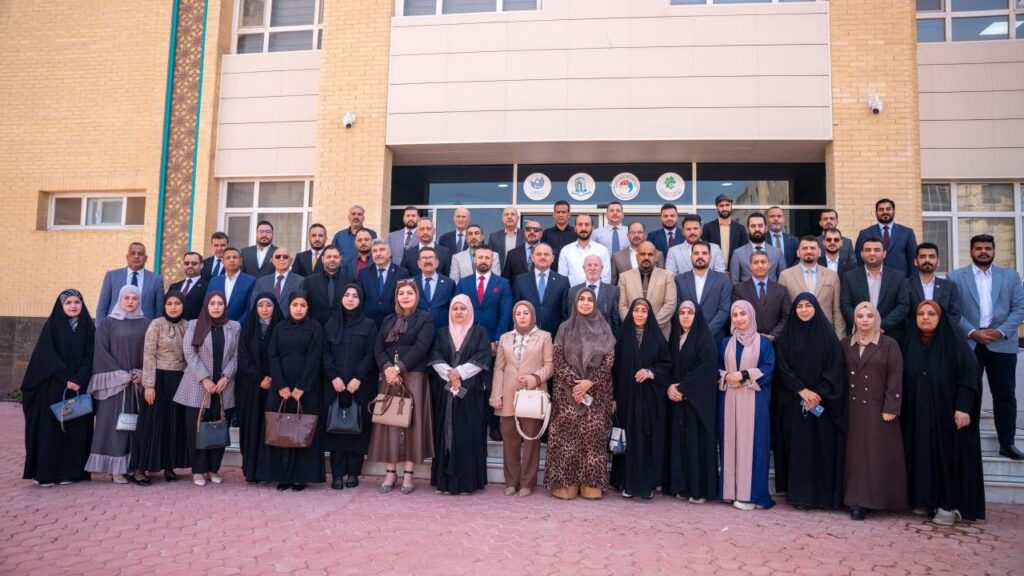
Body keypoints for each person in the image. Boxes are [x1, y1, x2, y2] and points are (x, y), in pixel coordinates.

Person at [902, 300, 985, 525]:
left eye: (931, 314)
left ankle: (949, 505)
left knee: (947, 458)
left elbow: (969, 376)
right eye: (921, 313)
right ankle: (925, 499)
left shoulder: (954, 343)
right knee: (921, 455)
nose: (925, 317)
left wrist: (963, 408)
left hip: (948, 416)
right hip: (919, 415)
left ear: (941, 318)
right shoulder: (909, 342)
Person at [947, 234, 1024, 460]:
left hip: (1002, 343)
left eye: (987, 248)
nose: (983, 252)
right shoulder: (955, 277)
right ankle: (967, 445)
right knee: (967, 393)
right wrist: (973, 332)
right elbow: (953, 311)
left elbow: (1019, 309)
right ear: (971, 251)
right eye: (978, 248)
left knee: (1005, 394)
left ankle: (1007, 443)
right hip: (969, 342)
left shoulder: (1010, 277)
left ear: (994, 250)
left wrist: (999, 332)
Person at [772, 293, 847, 510]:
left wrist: (817, 394)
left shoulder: (828, 336)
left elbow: (835, 368)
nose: (804, 310)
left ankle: (822, 496)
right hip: (795, 403)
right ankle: (799, 496)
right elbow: (782, 367)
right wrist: (802, 390)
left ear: (816, 308)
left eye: (808, 306)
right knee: (799, 450)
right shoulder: (786, 337)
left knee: (821, 448)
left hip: (822, 405)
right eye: (800, 306)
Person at [546, 287, 616, 500]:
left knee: (592, 441)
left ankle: (590, 484)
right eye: (581, 299)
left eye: (589, 299)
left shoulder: (604, 328)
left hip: (596, 396)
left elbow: (609, 361)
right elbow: (557, 359)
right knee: (566, 442)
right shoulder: (565, 328)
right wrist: (576, 384)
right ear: (575, 303)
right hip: (566, 395)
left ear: (595, 303)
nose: (585, 303)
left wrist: (589, 383)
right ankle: (565, 485)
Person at [21, 289, 95, 487]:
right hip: (54, 386)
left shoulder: (89, 327)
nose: (73, 306)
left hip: (79, 388)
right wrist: (67, 377)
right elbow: (47, 355)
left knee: (75, 429)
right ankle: (46, 473)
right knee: (51, 430)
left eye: (77, 302)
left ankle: (71, 472)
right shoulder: (52, 326)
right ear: (61, 306)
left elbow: (92, 356)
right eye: (68, 302)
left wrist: (79, 378)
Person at [842, 302, 908, 520]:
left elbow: (895, 376)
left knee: (875, 454)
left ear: (876, 319)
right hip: (851, 408)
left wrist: (891, 406)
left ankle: (877, 499)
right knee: (855, 455)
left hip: (877, 408)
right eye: (860, 316)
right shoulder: (845, 344)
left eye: (869, 316)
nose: (864, 320)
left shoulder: (889, 344)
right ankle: (856, 501)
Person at [369, 280, 435, 495]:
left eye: (409, 293)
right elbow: (378, 347)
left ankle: (408, 474)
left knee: (411, 425)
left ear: (416, 296)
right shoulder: (389, 319)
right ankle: (390, 473)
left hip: (413, 376)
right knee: (390, 423)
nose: (405, 296)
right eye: (401, 293)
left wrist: (399, 368)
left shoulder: (425, 318)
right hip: (389, 378)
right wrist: (387, 368)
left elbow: (421, 347)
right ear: (396, 297)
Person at [259, 292, 325, 491]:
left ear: (308, 307)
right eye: (295, 305)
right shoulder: (280, 327)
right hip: (281, 389)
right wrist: (280, 385)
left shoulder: (315, 328)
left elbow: (315, 358)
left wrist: (301, 386)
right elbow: (273, 355)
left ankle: (301, 477)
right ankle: (282, 476)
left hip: (306, 389)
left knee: (302, 429)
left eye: (302, 305)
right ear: (289, 306)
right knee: (281, 430)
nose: (298, 309)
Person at [174, 292, 241, 486]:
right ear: (206, 306)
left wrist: (226, 377)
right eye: (212, 303)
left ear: (225, 306)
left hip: (223, 387)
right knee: (196, 429)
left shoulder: (234, 326)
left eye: (220, 303)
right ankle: (198, 470)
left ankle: (213, 469)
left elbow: (237, 355)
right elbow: (189, 352)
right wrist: (205, 378)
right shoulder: (195, 324)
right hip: (197, 385)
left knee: (219, 428)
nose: (216, 307)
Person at [85, 285, 150, 484]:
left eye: (134, 298)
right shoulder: (108, 323)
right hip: (115, 384)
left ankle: (132, 466)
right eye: (126, 298)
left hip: (137, 384)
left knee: (134, 426)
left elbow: (150, 352)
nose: (130, 302)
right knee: (113, 425)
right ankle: (115, 470)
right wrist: (120, 375)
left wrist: (141, 372)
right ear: (119, 299)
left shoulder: (146, 323)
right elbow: (101, 351)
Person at [429, 295, 492, 495]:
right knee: (445, 433)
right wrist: (450, 374)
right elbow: (435, 355)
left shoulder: (480, 332)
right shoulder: (441, 332)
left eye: (462, 308)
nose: (458, 312)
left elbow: (482, 357)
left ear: (470, 310)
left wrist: (460, 373)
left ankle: (466, 482)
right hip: (445, 391)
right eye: (455, 308)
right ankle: (444, 481)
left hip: (471, 393)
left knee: (467, 434)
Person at [610, 298, 672, 499]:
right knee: (628, 438)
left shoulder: (657, 338)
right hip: (626, 398)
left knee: (645, 439)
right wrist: (613, 398)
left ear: (649, 314)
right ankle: (626, 483)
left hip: (648, 399)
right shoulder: (621, 338)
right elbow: (613, 370)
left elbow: (667, 365)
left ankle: (645, 484)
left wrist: (651, 372)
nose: (639, 314)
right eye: (636, 310)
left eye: (643, 311)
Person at [490, 301, 553, 497]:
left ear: (532, 315)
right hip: (508, 394)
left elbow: (550, 366)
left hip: (532, 394)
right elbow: (499, 368)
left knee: (531, 439)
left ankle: (527, 483)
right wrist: (496, 395)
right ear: (514, 317)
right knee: (510, 440)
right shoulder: (505, 338)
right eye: (518, 313)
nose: (522, 316)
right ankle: (511, 481)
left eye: (526, 313)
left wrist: (534, 378)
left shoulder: (544, 336)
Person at [718, 300, 776, 511]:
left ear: (751, 316)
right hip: (729, 400)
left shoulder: (764, 343)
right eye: (735, 315)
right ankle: (731, 492)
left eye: (743, 314)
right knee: (731, 443)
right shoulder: (725, 343)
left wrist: (742, 376)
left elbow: (769, 369)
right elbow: (716, 367)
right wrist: (726, 376)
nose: (739, 318)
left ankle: (753, 496)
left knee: (754, 445)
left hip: (754, 401)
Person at [322, 285, 379, 489]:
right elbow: (325, 353)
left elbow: (371, 353)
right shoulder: (331, 324)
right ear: (341, 298)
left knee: (357, 428)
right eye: (346, 295)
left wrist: (358, 377)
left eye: (355, 296)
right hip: (335, 385)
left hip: (360, 386)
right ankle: (337, 474)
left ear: (360, 300)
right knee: (336, 429)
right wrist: (333, 377)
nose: (350, 299)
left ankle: (354, 473)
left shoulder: (369, 325)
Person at [132, 290, 190, 484]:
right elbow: (148, 355)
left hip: (179, 379)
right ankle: (140, 469)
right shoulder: (156, 324)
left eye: (177, 303)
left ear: (183, 306)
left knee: (173, 423)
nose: (173, 307)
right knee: (151, 422)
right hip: (158, 379)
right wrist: (149, 385)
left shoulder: (188, 326)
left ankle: (169, 466)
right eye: (169, 303)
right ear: (164, 306)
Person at [664, 301, 719, 503]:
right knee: (680, 444)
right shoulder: (675, 339)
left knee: (696, 445)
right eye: (682, 313)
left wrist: (683, 388)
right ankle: (680, 486)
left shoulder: (705, 340)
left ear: (697, 316)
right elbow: (668, 366)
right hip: (678, 402)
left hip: (697, 404)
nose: (685, 316)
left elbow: (705, 370)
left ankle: (698, 490)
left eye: (690, 313)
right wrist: (670, 387)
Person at [236, 293, 283, 483]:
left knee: (271, 427)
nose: (264, 309)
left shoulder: (281, 327)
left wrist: (273, 378)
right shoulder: (248, 328)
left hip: (275, 386)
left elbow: (283, 355)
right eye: (260, 305)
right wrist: (259, 377)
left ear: (275, 308)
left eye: (268, 306)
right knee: (251, 426)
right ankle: (251, 471)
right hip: (251, 386)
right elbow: (243, 357)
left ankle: (269, 471)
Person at [841, 237, 910, 343]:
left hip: (889, 335)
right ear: (862, 254)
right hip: (858, 335)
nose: (872, 253)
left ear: (884, 253)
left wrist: (880, 325)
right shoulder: (849, 277)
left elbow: (903, 306)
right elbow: (845, 305)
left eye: (877, 250)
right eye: (868, 250)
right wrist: (862, 323)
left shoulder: (898, 277)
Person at [779, 237, 845, 338]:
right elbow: (782, 310)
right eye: (804, 248)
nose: (809, 251)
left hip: (825, 333)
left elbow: (837, 310)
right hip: (796, 333)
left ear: (819, 252)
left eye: (813, 248)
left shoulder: (832, 276)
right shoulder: (785, 276)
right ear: (798, 253)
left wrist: (840, 338)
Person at [619, 241, 678, 339]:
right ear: (637, 257)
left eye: (650, 254)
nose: (646, 257)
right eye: (642, 254)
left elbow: (670, 304)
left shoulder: (667, 276)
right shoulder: (624, 277)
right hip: (632, 334)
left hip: (660, 333)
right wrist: (635, 325)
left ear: (656, 257)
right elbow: (622, 306)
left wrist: (652, 326)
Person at [674, 242, 731, 340]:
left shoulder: (723, 279)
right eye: (696, 253)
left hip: (714, 338)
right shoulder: (679, 280)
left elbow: (724, 310)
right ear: (691, 257)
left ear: (710, 257)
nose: (700, 256)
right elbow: (677, 308)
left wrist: (706, 333)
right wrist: (690, 331)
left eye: (704, 253)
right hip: (687, 337)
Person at [96, 242, 164, 324]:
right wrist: (100, 329)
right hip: (115, 327)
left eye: (140, 254)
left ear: (146, 258)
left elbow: (159, 311)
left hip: (145, 328)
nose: (136, 256)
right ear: (127, 257)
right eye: (133, 253)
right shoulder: (112, 276)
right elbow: (102, 306)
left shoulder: (156, 280)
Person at [731, 251, 791, 341]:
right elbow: (735, 316)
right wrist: (752, 336)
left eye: (763, 262)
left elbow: (787, 316)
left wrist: (772, 336)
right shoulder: (739, 289)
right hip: (747, 341)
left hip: (775, 342)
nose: (760, 265)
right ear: (750, 265)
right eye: (756, 262)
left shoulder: (781, 290)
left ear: (769, 265)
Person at [513, 242, 570, 335]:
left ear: (552, 258)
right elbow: (515, 310)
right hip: (526, 336)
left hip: (554, 336)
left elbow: (565, 313)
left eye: (546, 254)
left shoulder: (563, 281)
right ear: (532, 257)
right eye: (539, 254)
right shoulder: (520, 280)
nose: (542, 257)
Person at [854, 198, 917, 277]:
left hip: (900, 279)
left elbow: (913, 260)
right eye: (881, 210)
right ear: (876, 213)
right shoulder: (865, 233)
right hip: (872, 278)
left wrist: (911, 281)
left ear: (894, 211)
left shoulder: (907, 232)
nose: (885, 212)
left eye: (888, 209)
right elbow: (859, 260)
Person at [906, 242, 961, 327]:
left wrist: (939, 331)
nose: (927, 260)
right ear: (916, 261)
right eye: (922, 256)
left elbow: (955, 316)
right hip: (912, 333)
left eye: (931, 256)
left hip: (943, 334)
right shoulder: (904, 285)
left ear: (938, 262)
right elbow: (902, 314)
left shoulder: (950, 287)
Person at [359, 240, 410, 326]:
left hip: (393, 324)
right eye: (374, 251)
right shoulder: (364, 273)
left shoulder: (402, 273)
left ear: (390, 253)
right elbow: (360, 298)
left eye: (382, 250)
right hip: (368, 324)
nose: (378, 254)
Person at [568, 254, 620, 335]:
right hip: (580, 338)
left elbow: (616, 321)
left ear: (601, 268)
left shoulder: (613, 291)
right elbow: (570, 319)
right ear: (584, 268)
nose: (592, 268)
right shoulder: (573, 292)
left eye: (596, 265)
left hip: (605, 339)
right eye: (589, 265)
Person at [302, 245, 352, 325]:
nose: (332, 259)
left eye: (335, 257)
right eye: (328, 257)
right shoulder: (309, 281)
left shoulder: (349, 282)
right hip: (315, 328)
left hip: (341, 328)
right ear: (322, 259)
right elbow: (305, 305)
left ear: (341, 259)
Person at [557, 214, 611, 287]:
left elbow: (606, 278)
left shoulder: (602, 250)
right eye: (580, 224)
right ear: (575, 228)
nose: (583, 228)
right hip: (572, 293)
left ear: (592, 228)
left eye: (587, 224)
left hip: (596, 293)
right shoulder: (566, 250)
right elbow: (562, 279)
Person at [729, 213, 784, 283]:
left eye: (760, 226)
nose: (757, 229)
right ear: (748, 229)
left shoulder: (777, 252)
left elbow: (783, 280)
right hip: (746, 290)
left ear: (766, 228)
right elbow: (734, 282)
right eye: (753, 226)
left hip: (772, 290)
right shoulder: (738, 253)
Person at [206, 247, 256, 323]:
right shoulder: (214, 281)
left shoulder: (251, 281)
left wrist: (238, 325)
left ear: (241, 261)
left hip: (239, 326)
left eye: (235, 257)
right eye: (228, 258)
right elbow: (207, 304)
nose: (232, 260)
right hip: (215, 325)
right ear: (223, 262)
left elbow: (249, 308)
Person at [412, 246, 455, 332]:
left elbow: (453, 308)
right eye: (424, 258)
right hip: (417, 331)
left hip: (442, 331)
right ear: (418, 263)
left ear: (437, 262)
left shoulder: (449, 283)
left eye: (431, 258)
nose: (428, 261)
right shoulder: (411, 283)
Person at [612, 221, 666, 285]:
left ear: (645, 235)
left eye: (639, 232)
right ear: (628, 235)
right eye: (633, 232)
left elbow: (661, 281)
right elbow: (613, 283)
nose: (636, 235)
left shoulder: (658, 255)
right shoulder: (617, 256)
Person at [702, 194, 748, 270]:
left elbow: (744, 252)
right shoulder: (708, 228)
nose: (724, 208)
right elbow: (704, 250)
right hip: (713, 271)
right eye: (721, 206)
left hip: (735, 271)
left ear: (731, 206)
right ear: (717, 207)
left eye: (727, 205)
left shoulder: (740, 229)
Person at [170, 252, 207, 321]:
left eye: (194, 263)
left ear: (201, 265)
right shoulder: (174, 287)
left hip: (195, 326)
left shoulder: (207, 287)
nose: (190, 266)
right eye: (186, 263)